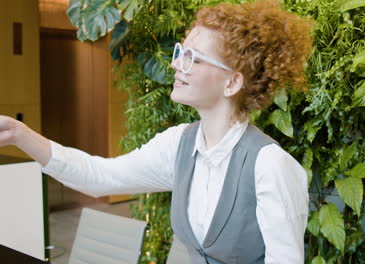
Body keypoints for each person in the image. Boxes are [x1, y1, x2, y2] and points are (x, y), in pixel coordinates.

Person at [0, 0, 314, 263]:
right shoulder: (178, 145)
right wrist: (18, 134)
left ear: (231, 82)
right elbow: (100, 177)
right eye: (180, 51)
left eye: (192, 58)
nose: (177, 64)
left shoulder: (270, 165)